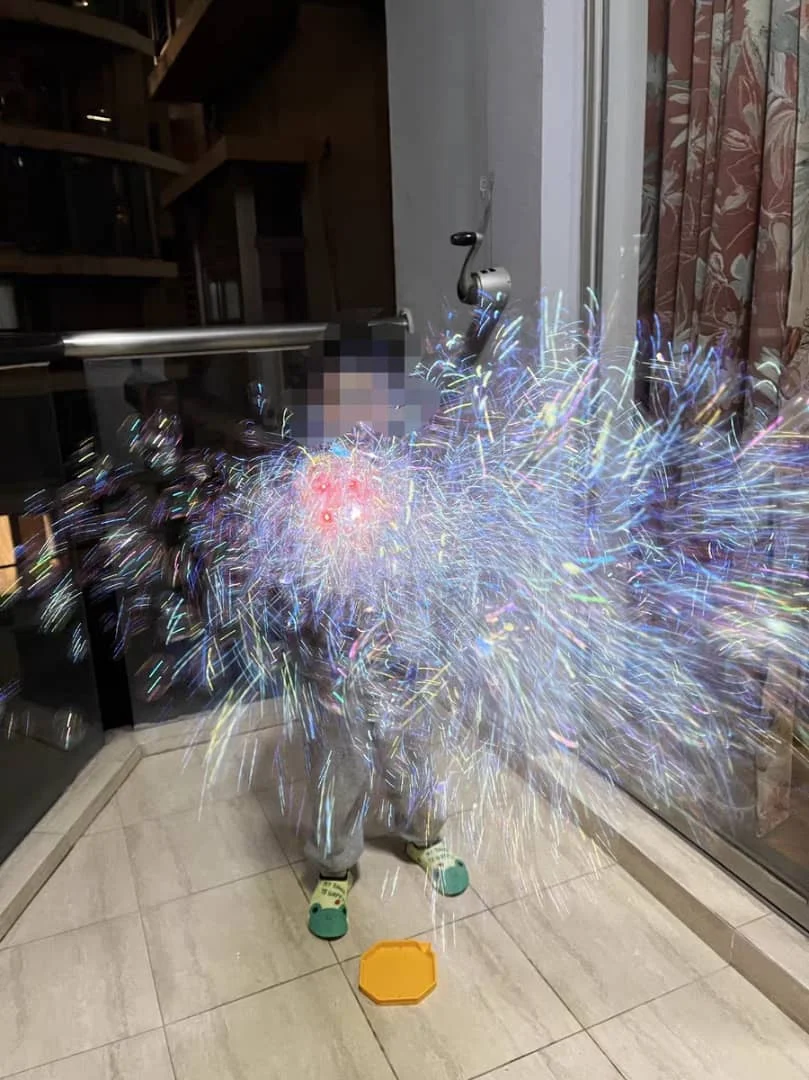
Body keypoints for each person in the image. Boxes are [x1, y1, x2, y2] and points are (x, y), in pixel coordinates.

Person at [286, 327, 470, 940]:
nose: (361, 412)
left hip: (405, 635)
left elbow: (436, 548)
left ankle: (423, 835)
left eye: (373, 395)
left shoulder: (411, 466)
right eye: (343, 397)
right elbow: (298, 563)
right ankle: (334, 866)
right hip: (333, 645)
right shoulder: (310, 477)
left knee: (410, 743)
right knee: (340, 759)